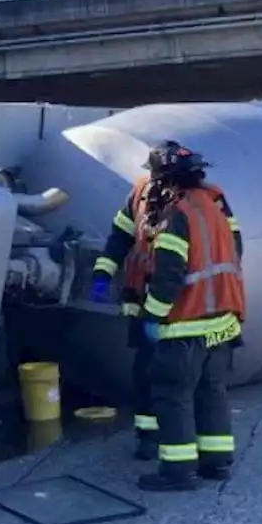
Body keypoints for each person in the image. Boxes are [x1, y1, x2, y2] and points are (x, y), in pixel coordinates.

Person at [135, 141, 246, 493]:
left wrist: (149, 317)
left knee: (173, 395)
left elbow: (169, 277)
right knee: (211, 392)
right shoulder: (213, 208)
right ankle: (216, 463)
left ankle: (178, 471)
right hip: (222, 323)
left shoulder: (175, 215)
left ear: (164, 179)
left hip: (185, 325)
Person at [92, 175, 162, 461]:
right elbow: (120, 236)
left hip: (179, 310)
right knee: (145, 373)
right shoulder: (141, 193)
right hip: (147, 305)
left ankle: (177, 444)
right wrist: (102, 273)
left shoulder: (190, 204)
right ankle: (148, 438)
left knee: (175, 377)